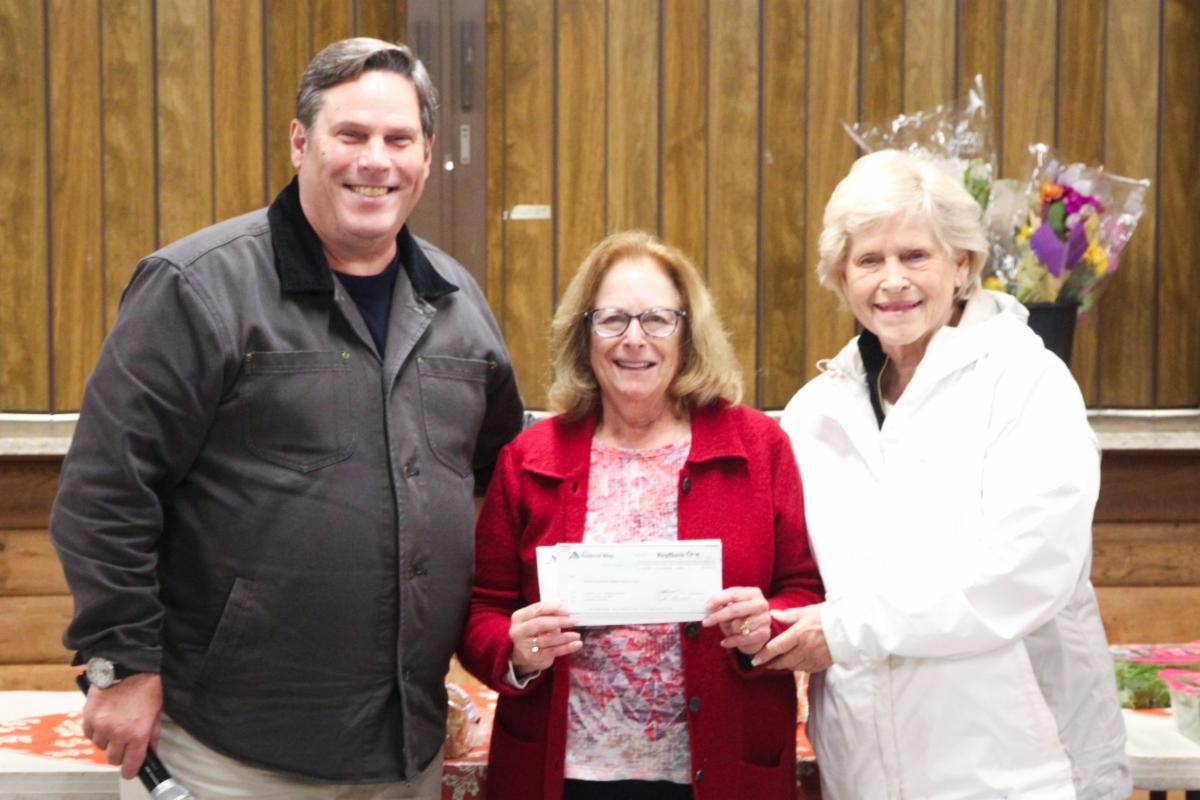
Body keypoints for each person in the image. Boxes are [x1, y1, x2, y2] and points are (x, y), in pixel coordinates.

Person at [50, 38, 523, 799]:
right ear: (301, 143)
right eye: (351, 135)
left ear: (428, 155)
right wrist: (122, 665)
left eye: (399, 139)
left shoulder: (457, 302)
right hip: (232, 753)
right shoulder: (196, 288)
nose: (376, 161)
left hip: (405, 747)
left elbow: (507, 481)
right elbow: (106, 492)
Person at [755, 149, 1131, 798]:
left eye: (915, 256)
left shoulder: (1027, 383)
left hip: (1019, 772)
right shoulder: (815, 413)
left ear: (961, 264)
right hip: (863, 775)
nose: (892, 280)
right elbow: (796, 574)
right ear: (841, 276)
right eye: (869, 261)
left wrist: (843, 631)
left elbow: (1022, 573)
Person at [457, 230, 824, 800]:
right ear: (585, 334)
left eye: (657, 319)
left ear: (688, 333)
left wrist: (767, 623)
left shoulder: (759, 446)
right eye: (612, 320)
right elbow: (482, 608)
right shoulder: (529, 458)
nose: (634, 339)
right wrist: (515, 650)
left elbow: (803, 589)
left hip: (723, 768)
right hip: (565, 774)